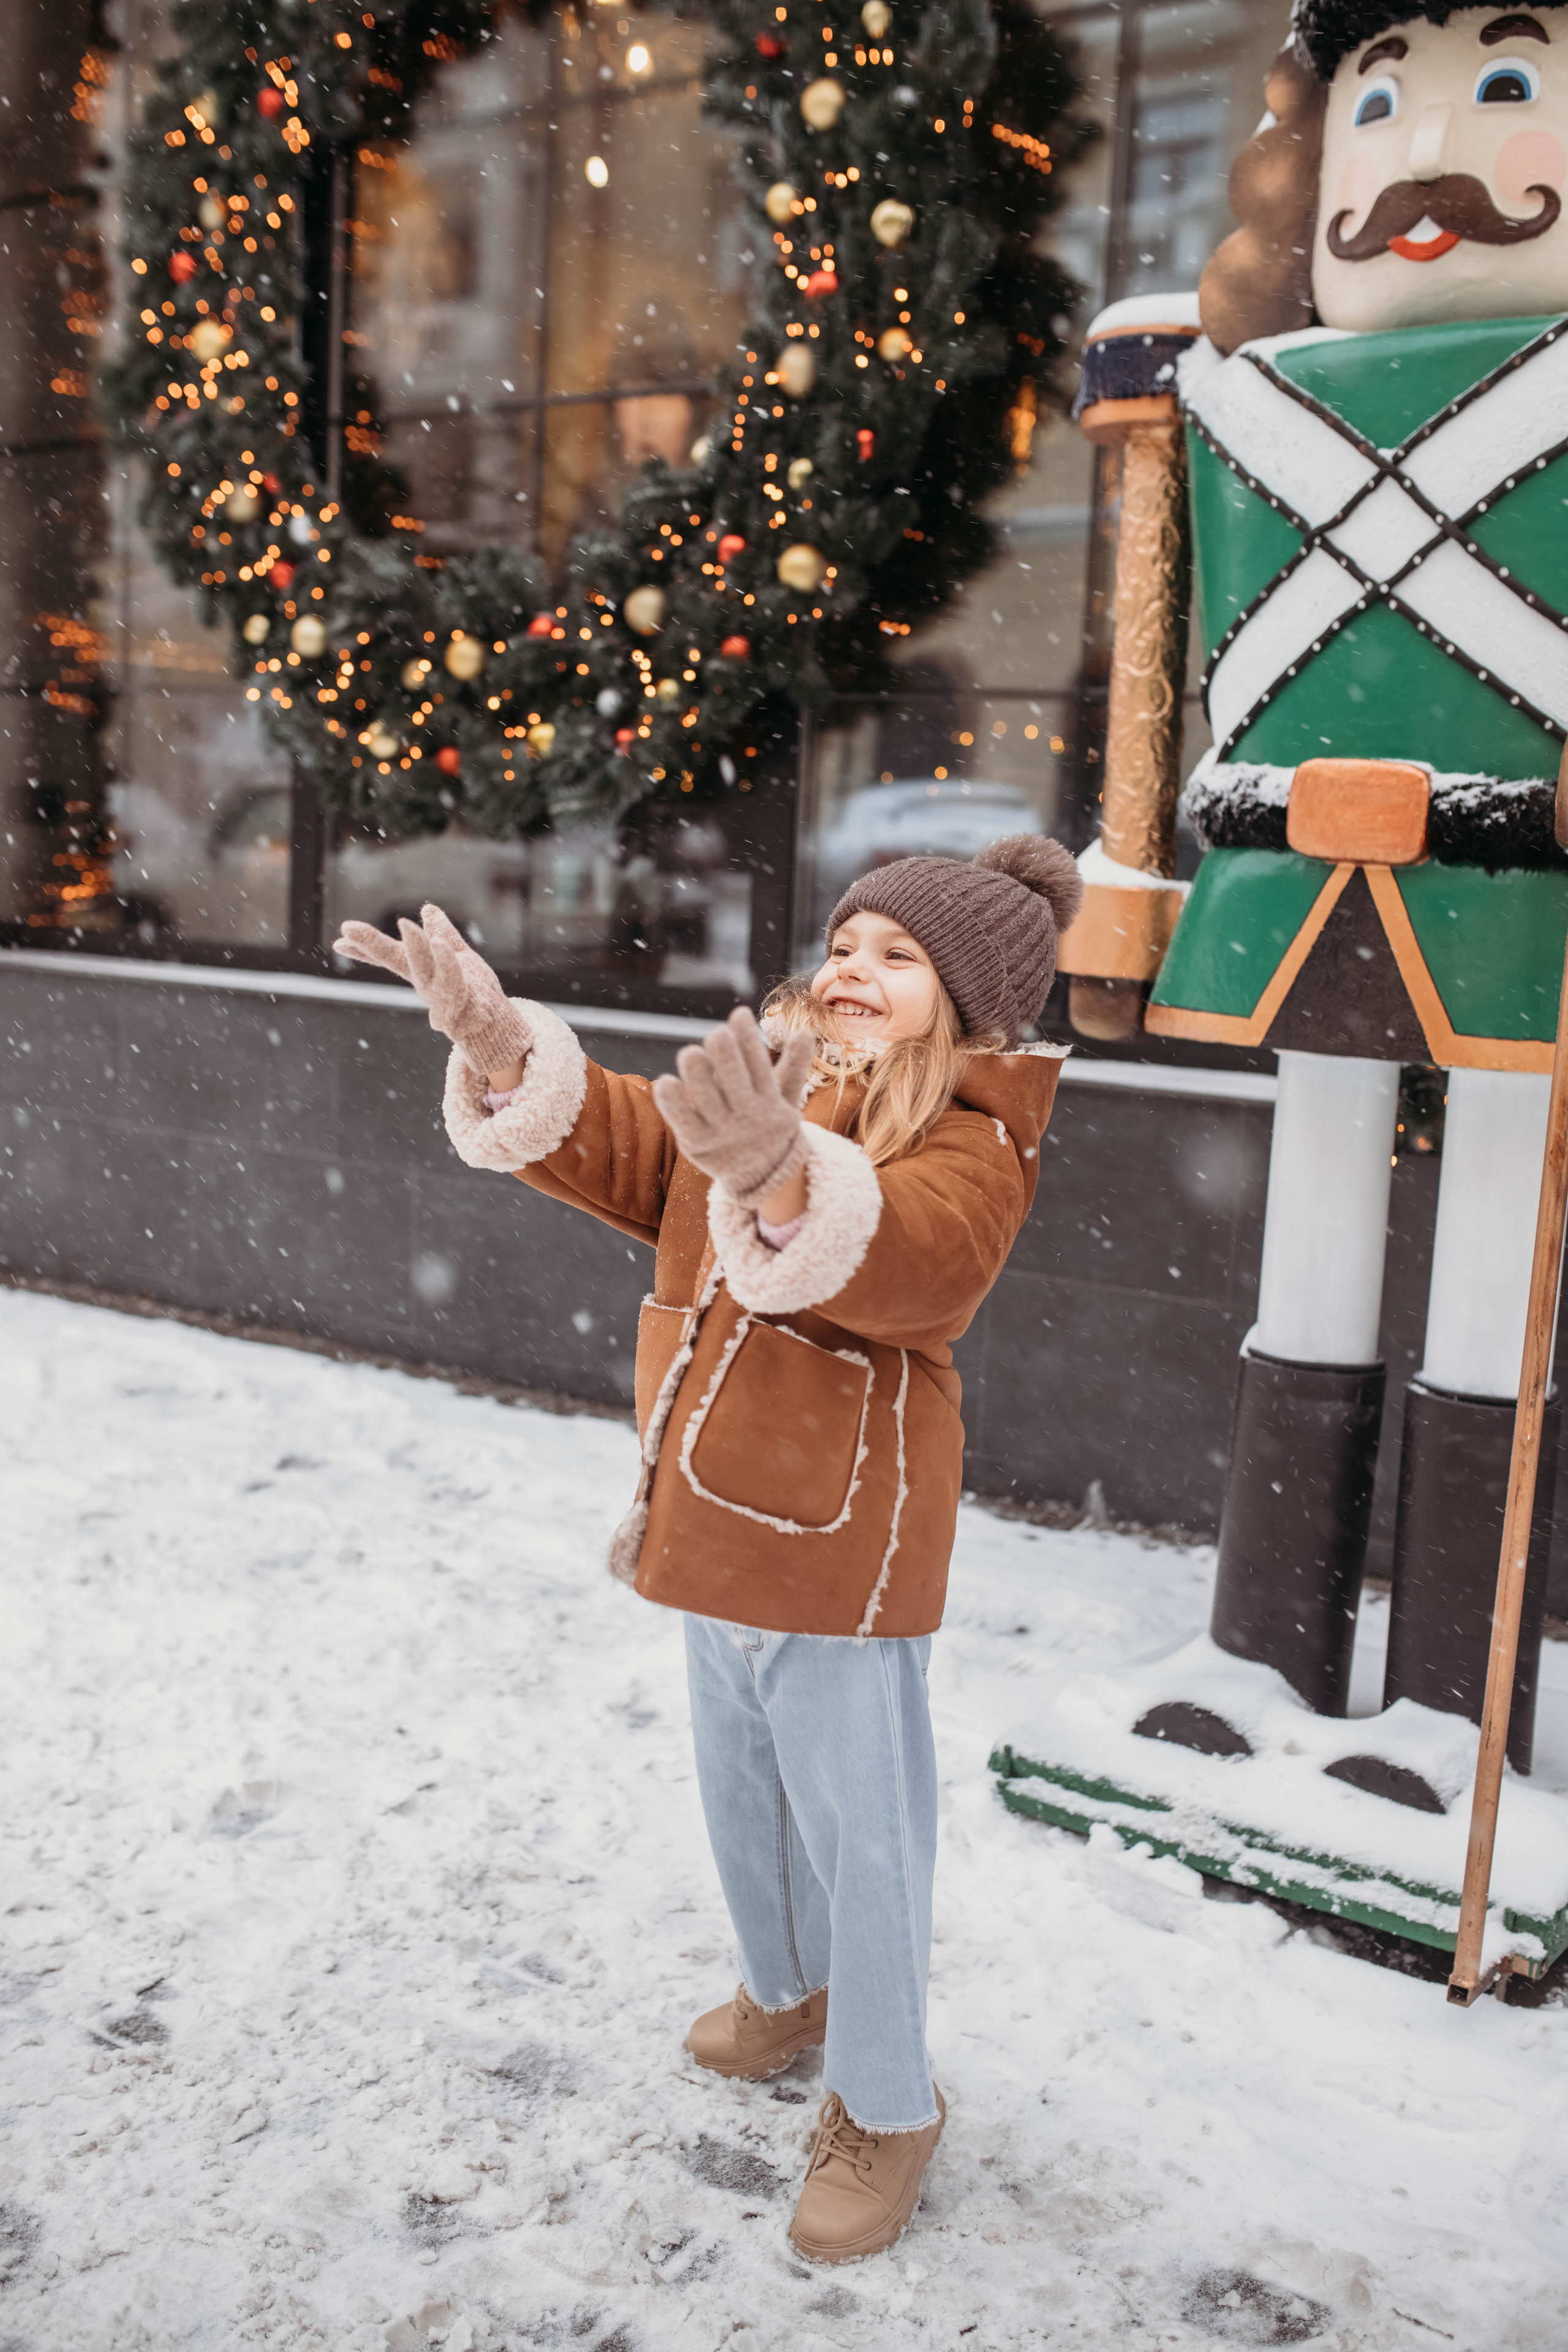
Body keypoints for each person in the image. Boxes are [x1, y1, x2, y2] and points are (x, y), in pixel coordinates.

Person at [334, 830, 1082, 2264]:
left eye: (900, 958)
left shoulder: (975, 1134)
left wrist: (786, 1176)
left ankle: (883, 2098)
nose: (857, 969)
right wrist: (499, 1046)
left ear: (969, 1002)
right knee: (740, 1788)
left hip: (843, 1541)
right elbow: (627, 1145)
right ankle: (785, 1992)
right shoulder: (767, 1080)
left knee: (863, 1833)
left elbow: (921, 1260)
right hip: (709, 1509)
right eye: (850, 943)